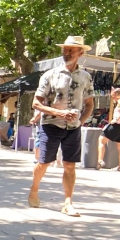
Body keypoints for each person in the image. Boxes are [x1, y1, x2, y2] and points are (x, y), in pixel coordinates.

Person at [28, 35, 95, 216]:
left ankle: (68, 202)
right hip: (50, 125)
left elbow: (89, 104)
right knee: (44, 163)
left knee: (70, 165)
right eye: (65, 49)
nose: (66, 52)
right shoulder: (50, 75)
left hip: (73, 128)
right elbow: (36, 103)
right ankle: (34, 189)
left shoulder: (86, 77)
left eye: (71, 50)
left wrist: (80, 122)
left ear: (80, 53)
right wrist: (59, 113)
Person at [97, 87, 120, 171]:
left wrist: (116, 119)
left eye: (113, 96)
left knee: (101, 140)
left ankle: (100, 161)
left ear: (118, 95)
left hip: (118, 125)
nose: (113, 98)